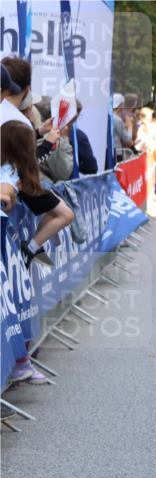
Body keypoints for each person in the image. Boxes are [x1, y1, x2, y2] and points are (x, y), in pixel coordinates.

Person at [2, 120, 74, 384]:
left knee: (22, 304)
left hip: (16, 250)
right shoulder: (9, 171)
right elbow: (6, 187)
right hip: (13, 248)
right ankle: (21, 363)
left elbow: (35, 154)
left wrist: (48, 139)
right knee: (16, 306)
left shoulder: (19, 162)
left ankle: (23, 361)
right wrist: (6, 197)